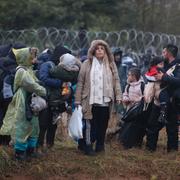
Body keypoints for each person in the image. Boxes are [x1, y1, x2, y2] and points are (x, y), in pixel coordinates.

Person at [75, 39, 122, 155]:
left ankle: (100, 146)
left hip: (106, 101)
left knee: (103, 125)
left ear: (106, 50)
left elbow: (116, 81)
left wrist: (119, 96)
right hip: (90, 100)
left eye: (102, 48)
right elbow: (80, 82)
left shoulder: (111, 65)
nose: (100, 50)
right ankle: (88, 146)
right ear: (93, 51)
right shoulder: (87, 64)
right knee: (91, 126)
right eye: (97, 48)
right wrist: (77, 99)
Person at [0, 47, 47, 160]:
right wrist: (43, 90)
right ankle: (19, 153)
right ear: (25, 57)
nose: (34, 59)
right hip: (23, 100)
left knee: (33, 125)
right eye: (32, 56)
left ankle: (30, 151)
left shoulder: (29, 69)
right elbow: (31, 84)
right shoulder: (21, 71)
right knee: (23, 125)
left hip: (31, 100)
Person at [146, 44, 180, 152]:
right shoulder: (162, 64)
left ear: (169, 53)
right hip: (158, 100)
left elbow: (178, 81)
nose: (163, 54)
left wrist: (164, 77)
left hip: (172, 101)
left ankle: (172, 152)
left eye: (164, 52)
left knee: (172, 129)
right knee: (152, 125)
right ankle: (150, 149)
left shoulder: (178, 66)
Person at [120, 67, 146, 148]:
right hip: (129, 110)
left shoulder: (142, 85)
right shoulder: (128, 86)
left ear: (134, 76)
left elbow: (144, 96)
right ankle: (127, 143)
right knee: (128, 126)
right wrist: (125, 99)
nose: (128, 76)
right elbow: (125, 94)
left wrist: (137, 100)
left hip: (138, 111)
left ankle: (136, 143)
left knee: (136, 127)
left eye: (129, 75)